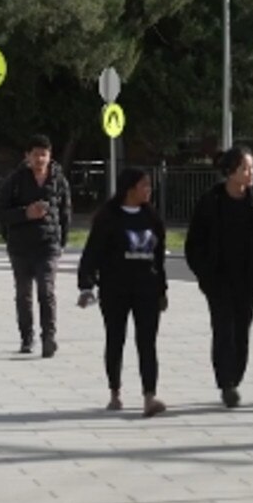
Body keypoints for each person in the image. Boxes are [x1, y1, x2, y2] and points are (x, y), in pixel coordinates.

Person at [184, 145, 253, 408]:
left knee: (241, 331)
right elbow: (194, 244)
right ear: (230, 172)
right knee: (223, 329)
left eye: (251, 168)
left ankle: (235, 377)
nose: (250, 174)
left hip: (248, 282)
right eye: (244, 168)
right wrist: (205, 275)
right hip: (218, 281)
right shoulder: (211, 202)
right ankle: (226, 383)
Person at [76, 168, 168, 418]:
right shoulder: (108, 217)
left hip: (147, 290)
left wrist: (162, 290)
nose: (149, 189)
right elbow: (92, 253)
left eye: (149, 185)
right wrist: (86, 285)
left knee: (147, 342)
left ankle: (150, 396)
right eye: (144, 185)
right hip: (115, 289)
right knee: (116, 339)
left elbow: (159, 259)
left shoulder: (152, 218)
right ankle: (115, 392)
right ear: (130, 189)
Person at [0, 134, 72, 358]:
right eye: (36, 154)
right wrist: (25, 214)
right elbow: (0, 213)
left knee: (46, 291)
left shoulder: (58, 180)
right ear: (27, 156)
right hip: (20, 246)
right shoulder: (15, 181)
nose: (40, 159)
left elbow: (66, 212)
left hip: (48, 245)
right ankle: (26, 338)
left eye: (44, 154)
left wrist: (62, 242)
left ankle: (49, 337)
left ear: (50, 156)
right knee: (23, 293)